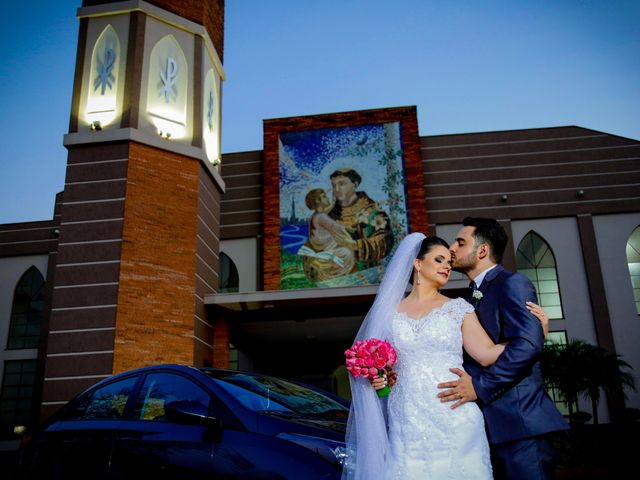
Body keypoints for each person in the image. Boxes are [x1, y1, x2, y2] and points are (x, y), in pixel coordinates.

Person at [342, 233, 549, 480]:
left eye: (449, 262)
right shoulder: (388, 314)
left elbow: (486, 354)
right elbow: (383, 369)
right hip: (406, 422)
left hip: (454, 415)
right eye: (439, 260)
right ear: (417, 263)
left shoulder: (458, 308)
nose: (447, 266)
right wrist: (380, 379)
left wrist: (537, 335)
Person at [437, 217, 569, 479]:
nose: (452, 248)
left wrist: (479, 386)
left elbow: (526, 346)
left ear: (482, 250)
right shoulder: (465, 299)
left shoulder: (512, 283)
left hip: (520, 425)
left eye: (461, 242)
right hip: (484, 428)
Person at [306, 168, 394, 279]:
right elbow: (314, 241)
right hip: (331, 275)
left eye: (342, 184)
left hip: (363, 275)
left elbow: (385, 241)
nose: (336, 189)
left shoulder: (372, 211)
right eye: (333, 185)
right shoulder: (328, 213)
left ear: (355, 184)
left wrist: (354, 245)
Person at [298, 188, 356, 281]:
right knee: (347, 252)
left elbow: (326, 211)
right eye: (324, 197)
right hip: (326, 247)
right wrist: (348, 228)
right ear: (318, 201)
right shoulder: (321, 217)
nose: (327, 198)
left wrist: (333, 202)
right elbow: (335, 227)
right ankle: (331, 273)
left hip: (322, 245)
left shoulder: (317, 214)